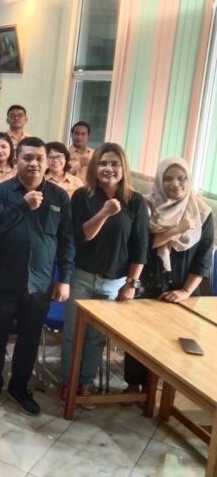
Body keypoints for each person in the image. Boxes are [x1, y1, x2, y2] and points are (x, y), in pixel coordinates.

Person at [0, 137, 75, 415]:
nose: (34, 163)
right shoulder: (1, 193)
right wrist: (22, 205)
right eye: (27, 158)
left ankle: (19, 387)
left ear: (47, 162)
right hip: (4, 279)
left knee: (29, 339)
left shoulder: (59, 197)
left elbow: (67, 240)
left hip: (40, 283)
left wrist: (64, 278)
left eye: (39, 158)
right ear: (16, 160)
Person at [60, 143, 149, 407]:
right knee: (73, 333)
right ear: (94, 167)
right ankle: (68, 381)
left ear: (123, 168)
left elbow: (140, 247)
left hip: (114, 281)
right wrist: (105, 212)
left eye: (114, 164)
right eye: (102, 163)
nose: (108, 169)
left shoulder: (136, 201)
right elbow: (83, 235)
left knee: (96, 337)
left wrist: (131, 284)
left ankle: (85, 383)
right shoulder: (82, 196)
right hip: (82, 276)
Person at [123, 157, 214, 392]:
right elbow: (139, 246)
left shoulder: (202, 213)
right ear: (159, 180)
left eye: (182, 178)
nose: (175, 184)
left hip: (181, 287)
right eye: (168, 178)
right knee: (138, 336)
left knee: (172, 342)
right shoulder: (145, 206)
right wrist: (132, 282)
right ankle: (133, 385)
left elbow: (203, 257)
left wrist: (186, 291)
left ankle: (157, 389)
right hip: (145, 282)